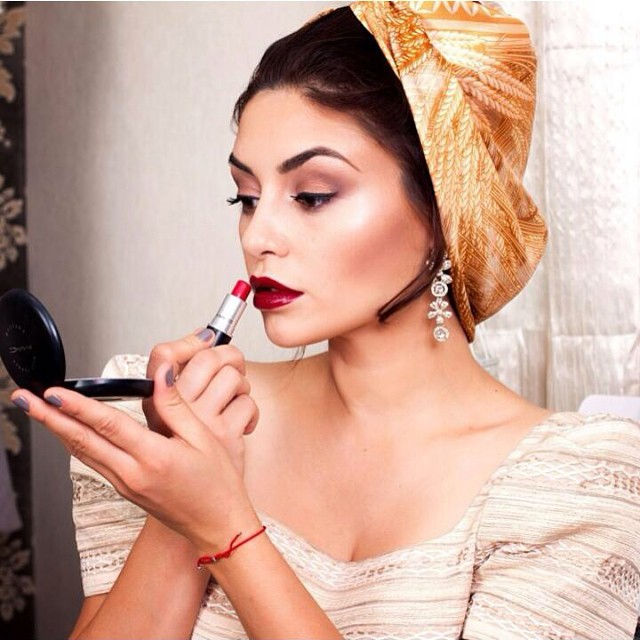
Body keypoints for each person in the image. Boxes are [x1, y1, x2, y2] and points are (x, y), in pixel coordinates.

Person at [11, 2, 640, 639]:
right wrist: (179, 496)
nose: (257, 236)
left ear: (448, 208)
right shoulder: (167, 418)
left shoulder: (575, 484)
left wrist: (222, 527)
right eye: (245, 197)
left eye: (313, 196)